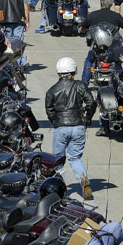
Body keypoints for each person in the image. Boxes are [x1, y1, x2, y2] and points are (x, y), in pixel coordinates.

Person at [44, 57, 96, 200]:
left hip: (60, 126)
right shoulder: (80, 86)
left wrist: (55, 121)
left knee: (58, 160)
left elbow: (49, 110)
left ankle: (59, 188)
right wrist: (88, 118)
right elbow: (91, 102)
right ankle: (83, 179)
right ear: (73, 71)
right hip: (78, 125)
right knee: (75, 158)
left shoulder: (52, 90)